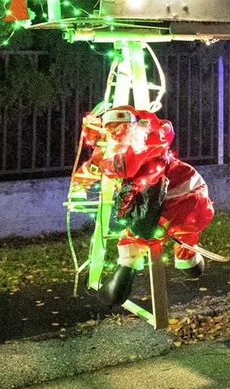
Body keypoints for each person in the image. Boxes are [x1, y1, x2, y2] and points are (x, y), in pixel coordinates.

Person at [71, 105, 215, 305]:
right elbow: (96, 167)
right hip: (172, 196)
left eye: (118, 130)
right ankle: (187, 260)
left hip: (175, 197)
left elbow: (123, 167)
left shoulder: (144, 144)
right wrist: (79, 188)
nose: (115, 134)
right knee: (170, 231)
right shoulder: (123, 147)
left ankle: (179, 259)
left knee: (145, 232)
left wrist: (81, 186)